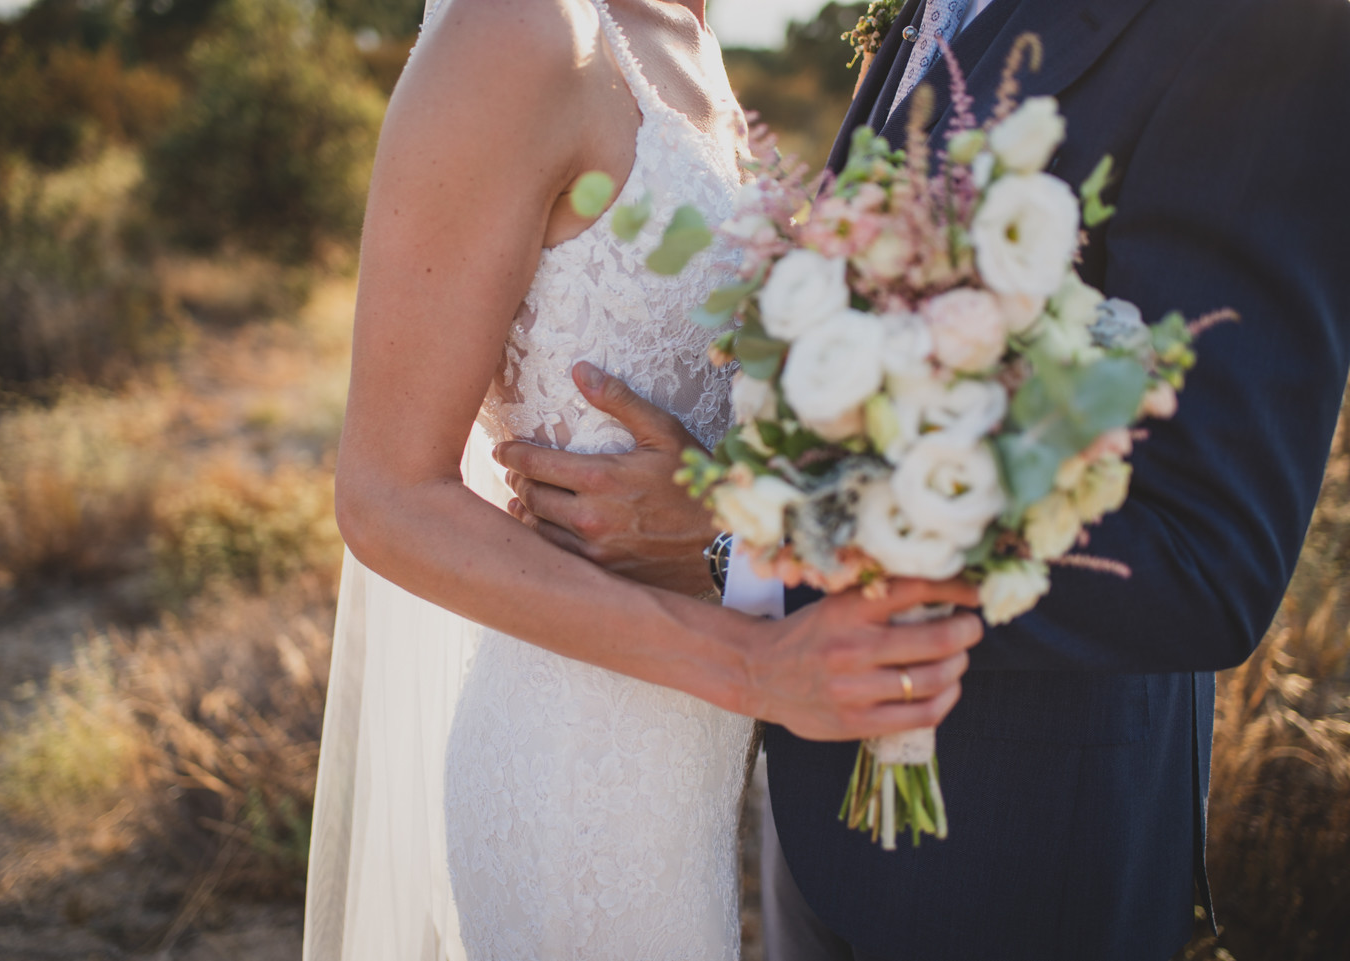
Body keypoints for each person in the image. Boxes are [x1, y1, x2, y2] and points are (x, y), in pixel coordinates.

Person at [498, 0, 1350, 958]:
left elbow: (1207, 559)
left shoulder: (1253, 28)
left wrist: (746, 542)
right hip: (813, 807)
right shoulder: (925, 11)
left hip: (1017, 854)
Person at [300, 1, 985, 959]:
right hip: (576, 768)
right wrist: (753, 664)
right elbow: (386, 498)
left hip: (696, 760)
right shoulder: (516, 32)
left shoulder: (686, 27)